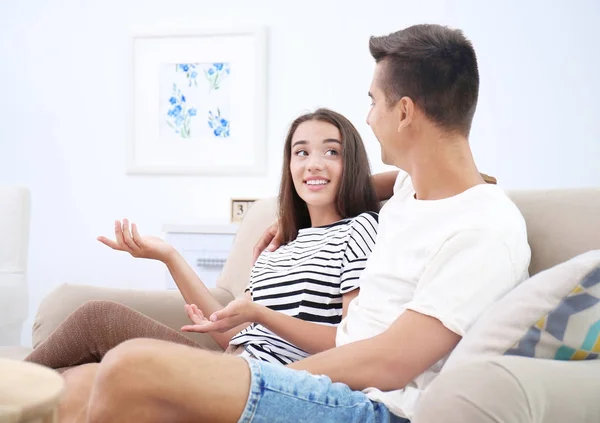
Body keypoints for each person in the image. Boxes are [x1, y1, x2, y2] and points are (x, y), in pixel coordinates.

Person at [74, 24, 531, 423]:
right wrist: (293, 211)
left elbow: (392, 363)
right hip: (334, 388)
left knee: (130, 367)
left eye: (374, 103)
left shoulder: (483, 231)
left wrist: (261, 378)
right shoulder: (415, 187)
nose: (369, 118)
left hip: (374, 407)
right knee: (80, 389)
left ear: (406, 112)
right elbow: (375, 185)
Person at [24, 108, 380, 416]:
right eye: (300, 153)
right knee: (80, 368)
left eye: (331, 152)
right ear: (289, 166)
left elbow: (351, 344)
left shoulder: (358, 230)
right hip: (232, 366)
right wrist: (168, 256)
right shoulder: (277, 245)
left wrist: (261, 314)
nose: (313, 163)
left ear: (350, 164)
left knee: (97, 322)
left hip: (273, 388)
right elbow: (234, 333)